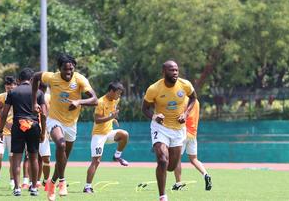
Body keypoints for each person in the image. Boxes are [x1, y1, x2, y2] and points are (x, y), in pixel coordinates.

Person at [32, 53, 98, 201]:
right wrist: (33, 100)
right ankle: (62, 181)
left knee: (64, 158)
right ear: (59, 68)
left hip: (71, 124)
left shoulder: (80, 79)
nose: (68, 72)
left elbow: (95, 100)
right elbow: (36, 77)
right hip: (54, 120)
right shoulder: (52, 77)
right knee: (60, 145)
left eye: (71, 69)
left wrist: (79, 102)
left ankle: (52, 183)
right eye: (65, 69)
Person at [142, 60, 197, 201]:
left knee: (171, 167)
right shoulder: (154, 89)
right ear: (164, 72)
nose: (175, 73)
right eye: (171, 70)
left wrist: (185, 114)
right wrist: (154, 116)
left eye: (176, 70)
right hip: (160, 128)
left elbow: (193, 99)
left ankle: (162, 171)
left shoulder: (185, 85)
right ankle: (162, 196)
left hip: (178, 130)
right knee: (162, 160)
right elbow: (144, 108)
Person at [0, 68, 46, 196]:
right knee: (34, 158)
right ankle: (34, 187)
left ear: (19, 80)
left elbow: (4, 114)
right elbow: (44, 114)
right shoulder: (39, 93)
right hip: (34, 125)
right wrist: (43, 132)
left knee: (16, 158)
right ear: (31, 80)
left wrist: (1, 130)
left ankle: (17, 188)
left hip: (18, 125)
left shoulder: (13, 92)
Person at [83, 82, 129, 193]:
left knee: (125, 135)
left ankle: (117, 156)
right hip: (99, 135)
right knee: (96, 161)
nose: (119, 96)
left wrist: (113, 119)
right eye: (118, 93)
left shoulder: (116, 100)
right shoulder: (100, 102)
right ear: (111, 91)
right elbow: (97, 120)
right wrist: (111, 117)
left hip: (109, 133)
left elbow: (110, 112)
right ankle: (87, 187)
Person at [172, 99, 212, 191]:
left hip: (183, 133)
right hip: (193, 134)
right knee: (194, 159)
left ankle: (178, 184)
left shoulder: (183, 100)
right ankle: (205, 174)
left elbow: (179, 117)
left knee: (177, 159)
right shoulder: (197, 101)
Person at [37, 82, 51, 187]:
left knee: (46, 158)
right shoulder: (31, 96)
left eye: (44, 88)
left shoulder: (48, 98)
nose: (42, 90)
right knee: (33, 157)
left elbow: (47, 114)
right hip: (31, 129)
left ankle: (46, 181)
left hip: (44, 131)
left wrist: (48, 130)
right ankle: (34, 182)